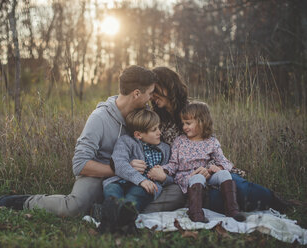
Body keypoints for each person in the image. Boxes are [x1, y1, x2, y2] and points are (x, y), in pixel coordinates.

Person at [0, 65, 158, 216]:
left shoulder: (141, 115)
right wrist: (122, 169)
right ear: (136, 93)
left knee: (155, 197)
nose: (151, 98)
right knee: (72, 207)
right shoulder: (99, 118)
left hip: (132, 176)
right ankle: (25, 202)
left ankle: (102, 210)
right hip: (99, 174)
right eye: (149, 93)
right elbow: (80, 165)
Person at [142, 66, 291, 214]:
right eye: (151, 92)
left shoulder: (192, 108)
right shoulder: (156, 117)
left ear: (168, 86)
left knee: (240, 188)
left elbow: (210, 142)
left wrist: (210, 168)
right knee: (221, 200)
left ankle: (276, 200)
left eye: (156, 90)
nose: (152, 96)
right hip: (184, 176)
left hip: (210, 168)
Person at [148, 101, 246, 222]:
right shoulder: (180, 141)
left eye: (188, 123)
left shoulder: (211, 141)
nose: (184, 127)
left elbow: (225, 162)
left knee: (225, 174)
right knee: (198, 177)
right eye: (183, 123)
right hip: (187, 177)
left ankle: (232, 210)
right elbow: (174, 164)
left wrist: (219, 168)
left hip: (207, 176)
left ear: (202, 121)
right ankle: (195, 212)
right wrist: (163, 169)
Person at [97, 108, 173, 233]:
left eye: (158, 128)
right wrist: (141, 180)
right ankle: (119, 221)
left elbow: (171, 173)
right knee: (112, 193)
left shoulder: (165, 149)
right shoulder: (126, 141)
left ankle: (116, 221)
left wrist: (164, 178)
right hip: (118, 181)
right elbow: (119, 163)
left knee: (135, 198)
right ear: (138, 135)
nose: (159, 132)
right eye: (154, 130)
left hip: (144, 187)